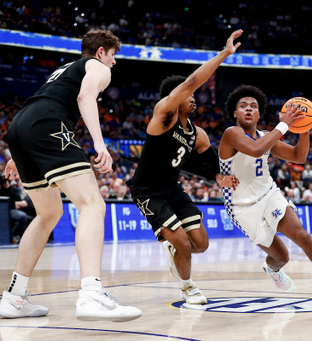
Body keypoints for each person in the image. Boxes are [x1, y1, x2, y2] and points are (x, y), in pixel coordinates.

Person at [0, 30, 141, 321]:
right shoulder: (98, 67)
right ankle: (91, 295)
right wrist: (100, 145)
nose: (114, 62)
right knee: (92, 204)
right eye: (113, 55)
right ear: (101, 52)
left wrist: (18, 153)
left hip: (20, 127)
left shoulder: (63, 70)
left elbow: (47, 103)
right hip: (46, 125)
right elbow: (85, 96)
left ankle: (13, 298)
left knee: (47, 214)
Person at [125, 30, 243, 305]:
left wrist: (220, 177)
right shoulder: (163, 117)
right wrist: (225, 54)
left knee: (200, 244)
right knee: (182, 243)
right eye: (189, 96)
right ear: (175, 98)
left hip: (173, 189)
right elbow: (191, 82)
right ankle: (187, 287)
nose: (194, 98)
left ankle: (175, 252)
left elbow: (211, 161)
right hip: (147, 191)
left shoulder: (198, 133)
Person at [218, 84, 312, 309]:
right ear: (235, 113)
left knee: (301, 235)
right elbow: (255, 149)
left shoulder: (267, 137)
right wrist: (285, 124)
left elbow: (298, 156)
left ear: (259, 113)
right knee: (282, 256)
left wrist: (303, 127)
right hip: (241, 207)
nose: (248, 109)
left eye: (253, 106)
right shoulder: (231, 133)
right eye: (242, 106)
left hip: (268, 194)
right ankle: (273, 269)